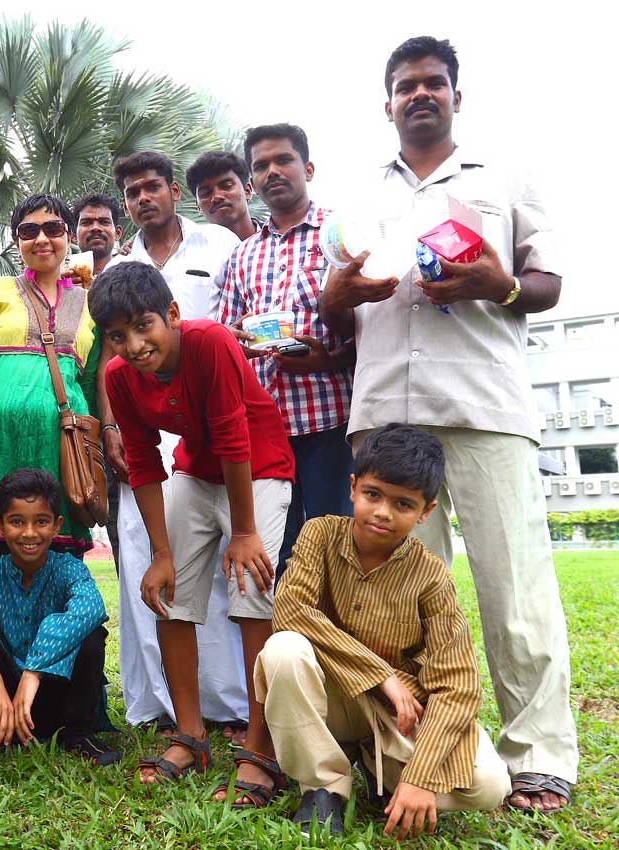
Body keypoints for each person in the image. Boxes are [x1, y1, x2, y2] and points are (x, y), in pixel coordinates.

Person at [318, 35, 577, 812]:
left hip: (484, 405)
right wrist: (340, 297)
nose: (420, 94)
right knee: (395, 602)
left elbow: (547, 283)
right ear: (388, 103)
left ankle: (537, 757)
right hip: (385, 416)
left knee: (514, 586)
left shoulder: (504, 178)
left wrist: (499, 285)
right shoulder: (359, 195)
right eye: (406, 86)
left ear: (457, 97)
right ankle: (410, 756)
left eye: (433, 83)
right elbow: (331, 306)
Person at [89, 262, 294, 806]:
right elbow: (142, 464)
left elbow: (233, 436)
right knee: (170, 592)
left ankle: (262, 747)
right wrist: (160, 553)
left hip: (259, 467)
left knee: (252, 592)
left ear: (173, 315)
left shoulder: (210, 342)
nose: (135, 346)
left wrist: (244, 532)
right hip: (196, 472)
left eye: (144, 326)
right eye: (118, 336)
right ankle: (190, 735)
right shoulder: (119, 377)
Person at [263, 424, 510, 837]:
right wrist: (380, 674)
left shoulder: (430, 574)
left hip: (397, 716)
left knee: (489, 784)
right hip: (330, 698)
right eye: (373, 494)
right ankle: (324, 788)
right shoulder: (319, 534)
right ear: (353, 487)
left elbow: (458, 685)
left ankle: (388, 780)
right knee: (283, 650)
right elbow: (291, 610)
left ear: (426, 511)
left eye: (403, 504)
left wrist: (421, 778)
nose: (382, 512)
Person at [103, 151, 248, 737]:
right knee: (151, 558)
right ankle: (160, 706)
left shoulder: (219, 243)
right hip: (146, 425)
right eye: (132, 192)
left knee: (226, 562)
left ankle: (232, 705)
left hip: (220, 421)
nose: (143, 198)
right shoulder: (121, 264)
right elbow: (111, 355)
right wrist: (112, 427)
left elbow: (245, 318)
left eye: (152, 187)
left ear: (172, 191)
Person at [218, 124, 354, 583]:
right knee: (277, 555)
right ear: (252, 181)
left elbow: (372, 324)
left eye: (283, 160)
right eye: (261, 166)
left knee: (337, 549)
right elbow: (227, 336)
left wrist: (328, 359)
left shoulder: (339, 233)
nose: (272, 171)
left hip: (330, 421)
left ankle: (338, 632)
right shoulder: (242, 255)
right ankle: (286, 632)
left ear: (308, 168)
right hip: (265, 429)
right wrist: (239, 338)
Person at [0, 194, 101, 570]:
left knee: (56, 580)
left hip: (59, 458)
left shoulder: (92, 304)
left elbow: (91, 386)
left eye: (53, 228)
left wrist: (95, 452)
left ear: (69, 236)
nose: (42, 239)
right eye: (29, 231)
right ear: (17, 241)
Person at [0, 468, 118, 766]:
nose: (30, 533)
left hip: (58, 697)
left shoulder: (68, 568)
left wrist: (35, 670)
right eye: (17, 521)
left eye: (41, 521)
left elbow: (91, 607)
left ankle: (77, 734)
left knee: (91, 633)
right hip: (2, 702)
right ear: (0, 526)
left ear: (57, 526)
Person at [72, 192, 124, 572]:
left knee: (126, 527)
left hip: (121, 421)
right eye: (86, 222)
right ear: (73, 233)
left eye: (103, 222)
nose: (95, 228)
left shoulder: (129, 277)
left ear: (117, 232)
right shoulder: (60, 285)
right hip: (73, 424)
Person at [185, 151, 263, 240]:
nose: (217, 197)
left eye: (227, 186)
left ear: (247, 191)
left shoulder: (276, 240)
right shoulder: (192, 248)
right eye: (205, 193)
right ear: (198, 207)